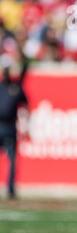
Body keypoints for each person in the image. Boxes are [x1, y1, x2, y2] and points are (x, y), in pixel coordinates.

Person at [0, 58, 29, 200]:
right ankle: (10, 190)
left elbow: (26, 106)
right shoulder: (10, 88)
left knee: (12, 161)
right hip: (6, 126)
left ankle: (11, 189)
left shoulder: (16, 88)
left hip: (10, 127)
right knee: (12, 160)